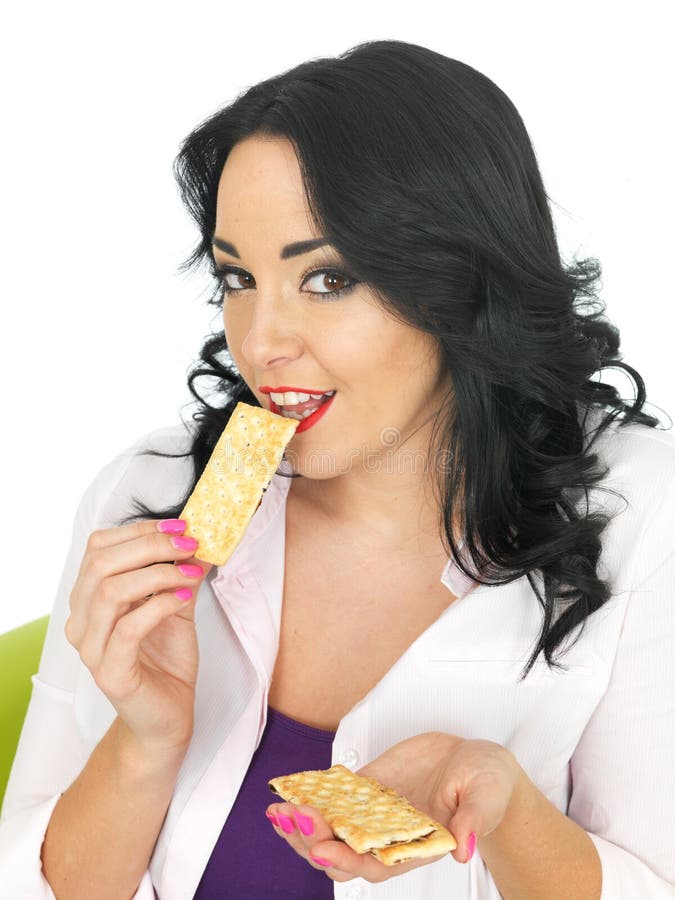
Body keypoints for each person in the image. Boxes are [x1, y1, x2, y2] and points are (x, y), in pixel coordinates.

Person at [1, 38, 673, 900]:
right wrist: (143, 741)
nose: (261, 342)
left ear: (459, 280)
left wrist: (509, 815)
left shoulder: (640, 517)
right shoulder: (151, 498)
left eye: (325, 279)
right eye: (236, 277)